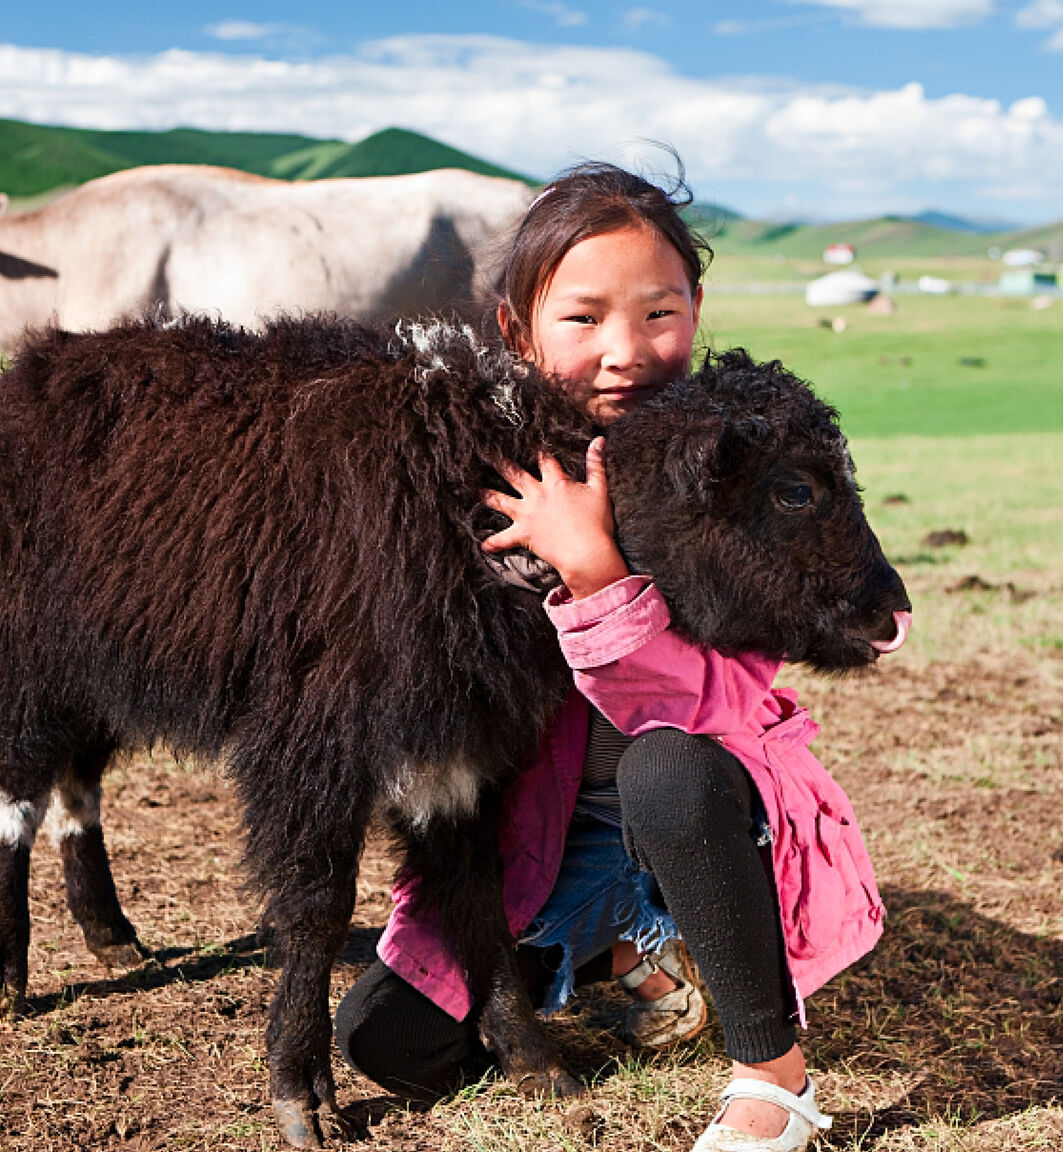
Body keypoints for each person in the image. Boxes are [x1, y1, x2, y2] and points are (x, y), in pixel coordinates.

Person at [332, 162, 883, 1152]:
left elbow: (715, 708)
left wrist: (595, 573)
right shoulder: (478, 469)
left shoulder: (735, 463)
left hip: (705, 816)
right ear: (516, 331)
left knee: (669, 770)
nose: (625, 351)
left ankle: (773, 1077)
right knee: (387, 1042)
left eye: (658, 313)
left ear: (697, 309)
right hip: (547, 843)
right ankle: (617, 954)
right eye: (582, 318)